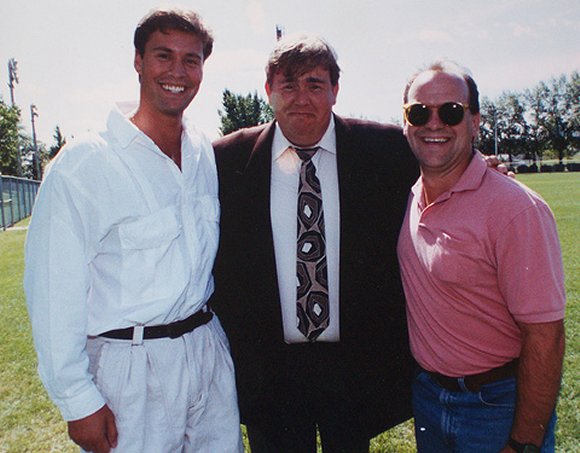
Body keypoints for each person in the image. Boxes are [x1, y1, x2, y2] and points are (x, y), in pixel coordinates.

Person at [24, 7, 242, 453]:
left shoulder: (202, 152)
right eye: (164, 56)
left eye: (192, 59)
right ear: (138, 61)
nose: (178, 72)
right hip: (130, 370)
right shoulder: (86, 163)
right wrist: (77, 400)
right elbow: (52, 291)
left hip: (205, 354)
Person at [211, 35, 418, 452]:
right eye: (288, 85)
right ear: (268, 91)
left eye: (315, 84)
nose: (301, 97)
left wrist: (486, 166)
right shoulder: (225, 160)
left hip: (354, 365)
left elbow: (445, 159)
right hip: (269, 370)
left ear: (335, 91)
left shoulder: (385, 149)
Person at [397, 61, 566, 453]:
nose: (433, 123)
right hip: (429, 398)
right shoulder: (409, 193)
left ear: (475, 121)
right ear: (405, 121)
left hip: (496, 405)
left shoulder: (516, 209)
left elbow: (546, 337)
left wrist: (523, 443)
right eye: (419, 112)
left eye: (451, 112)